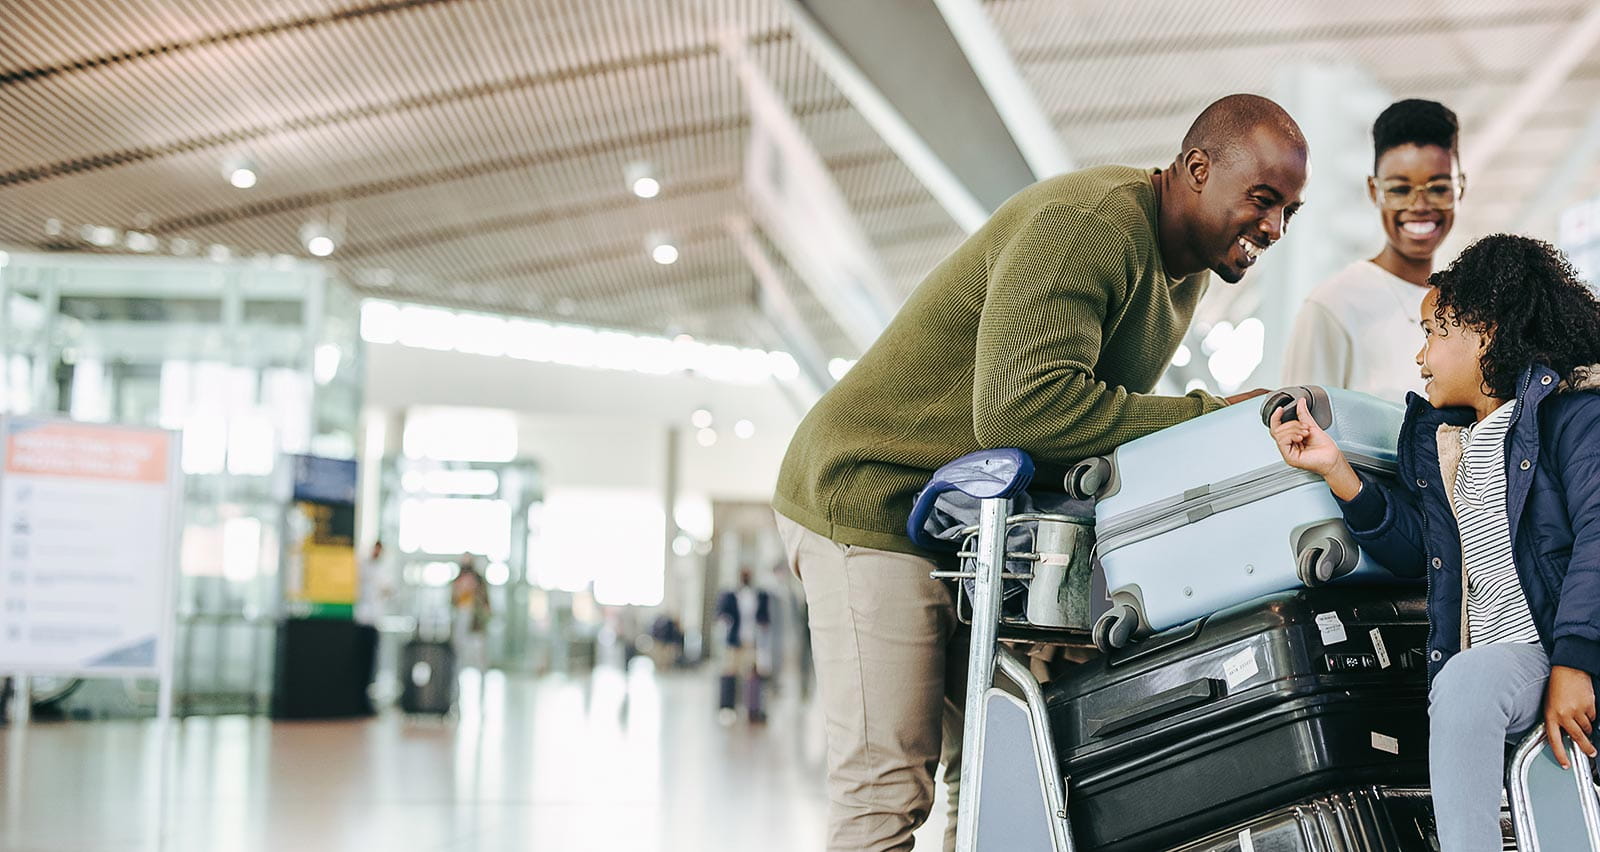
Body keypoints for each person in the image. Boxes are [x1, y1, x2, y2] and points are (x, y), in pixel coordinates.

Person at [773, 94, 1309, 851]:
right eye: (1262, 200)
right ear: (1197, 168)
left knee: (995, 763)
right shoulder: (1090, 225)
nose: (1275, 229)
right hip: (870, 496)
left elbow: (1091, 425)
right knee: (888, 788)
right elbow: (1025, 413)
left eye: (1290, 211)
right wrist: (1214, 417)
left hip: (966, 524)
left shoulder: (1181, 270)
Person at [1268, 234, 1600, 852]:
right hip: (1507, 665)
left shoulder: (1574, 414)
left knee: (1469, 682)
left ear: (1484, 332)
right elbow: (1424, 554)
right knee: (1468, 682)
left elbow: (1598, 537)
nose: (1421, 358)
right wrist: (1339, 472)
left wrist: (1576, 663)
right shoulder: (1449, 443)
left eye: (1433, 332)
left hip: (1565, 649)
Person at [1282, 99, 1464, 401]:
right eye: (1399, 190)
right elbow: (1296, 433)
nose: (1419, 206)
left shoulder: (1468, 307)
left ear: (1461, 188)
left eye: (1438, 188)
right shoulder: (1333, 306)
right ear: (1373, 191)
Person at [716, 568, 772, 723]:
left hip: (752, 641)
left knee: (753, 675)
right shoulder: (731, 595)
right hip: (735, 641)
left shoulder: (759, 596)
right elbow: (721, 613)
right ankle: (727, 708)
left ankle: (753, 710)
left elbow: (765, 617)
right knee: (729, 672)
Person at [450, 555, 491, 673]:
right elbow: (453, 599)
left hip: (475, 621)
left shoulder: (479, 580)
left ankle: (482, 678)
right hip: (461, 615)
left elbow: (485, 601)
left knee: (478, 653)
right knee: (458, 650)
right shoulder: (457, 579)